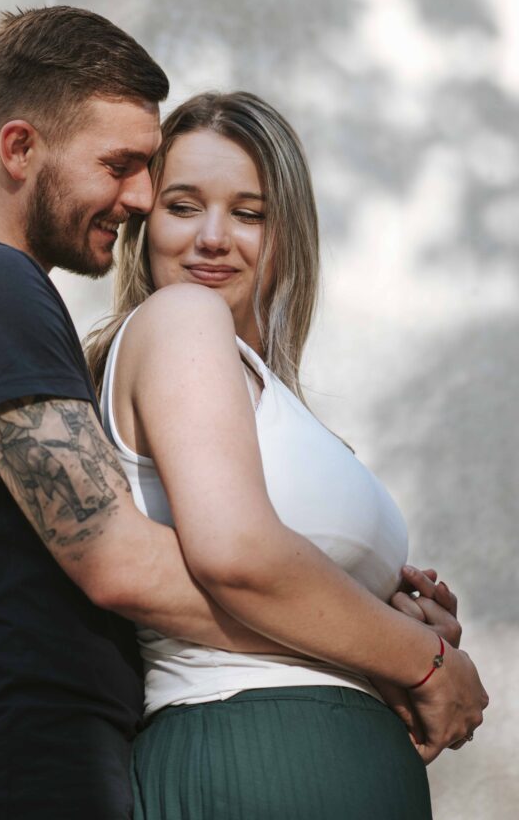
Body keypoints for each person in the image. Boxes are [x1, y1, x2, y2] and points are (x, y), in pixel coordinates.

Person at [0, 8, 483, 820]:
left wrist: (377, 614)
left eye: (249, 212)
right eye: (122, 166)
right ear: (19, 148)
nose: (138, 196)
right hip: (11, 771)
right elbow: (125, 561)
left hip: (54, 764)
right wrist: (402, 656)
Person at [85, 90, 489, 819]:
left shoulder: (265, 391)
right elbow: (237, 552)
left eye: (249, 214)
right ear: (145, 226)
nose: (213, 237)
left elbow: (288, 586)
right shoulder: (180, 317)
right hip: (257, 755)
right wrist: (425, 661)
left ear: (287, 235)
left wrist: (400, 616)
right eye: (183, 206)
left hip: (330, 761)